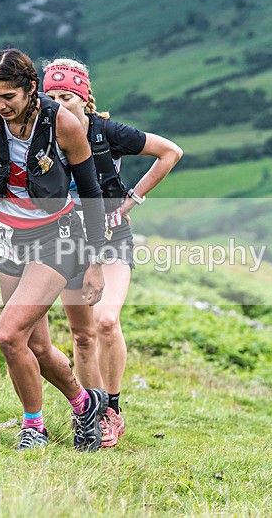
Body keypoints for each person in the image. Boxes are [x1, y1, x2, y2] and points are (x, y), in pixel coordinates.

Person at [0, 48, 111, 451]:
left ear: (31, 89)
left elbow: (91, 193)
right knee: (33, 346)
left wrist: (94, 263)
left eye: (9, 97)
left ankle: (33, 428)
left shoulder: (63, 125)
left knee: (7, 334)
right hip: (8, 238)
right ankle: (85, 402)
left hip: (59, 237)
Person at [43, 58, 183, 448]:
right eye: (50, 96)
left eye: (66, 96)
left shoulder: (108, 132)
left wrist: (131, 200)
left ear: (84, 98)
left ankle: (112, 412)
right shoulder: (41, 136)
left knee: (106, 321)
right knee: (82, 336)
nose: (58, 103)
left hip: (111, 238)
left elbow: (170, 152)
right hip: (66, 242)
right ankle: (90, 411)